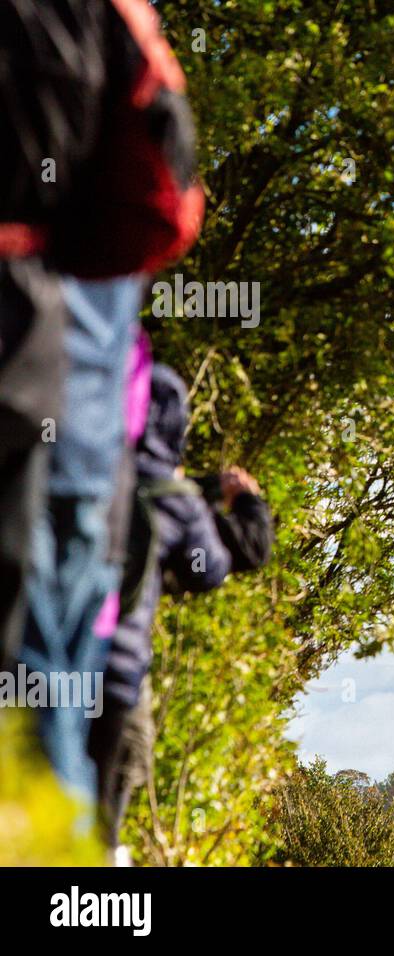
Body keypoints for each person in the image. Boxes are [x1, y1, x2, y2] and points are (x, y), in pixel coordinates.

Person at [0, 0, 203, 800]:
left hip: (59, 410)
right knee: (43, 708)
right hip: (53, 398)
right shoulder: (105, 19)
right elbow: (159, 209)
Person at [87, 364, 272, 856]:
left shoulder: (66, 462)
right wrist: (241, 501)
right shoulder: (174, 502)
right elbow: (211, 569)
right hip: (114, 676)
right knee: (98, 824)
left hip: (30, 666)